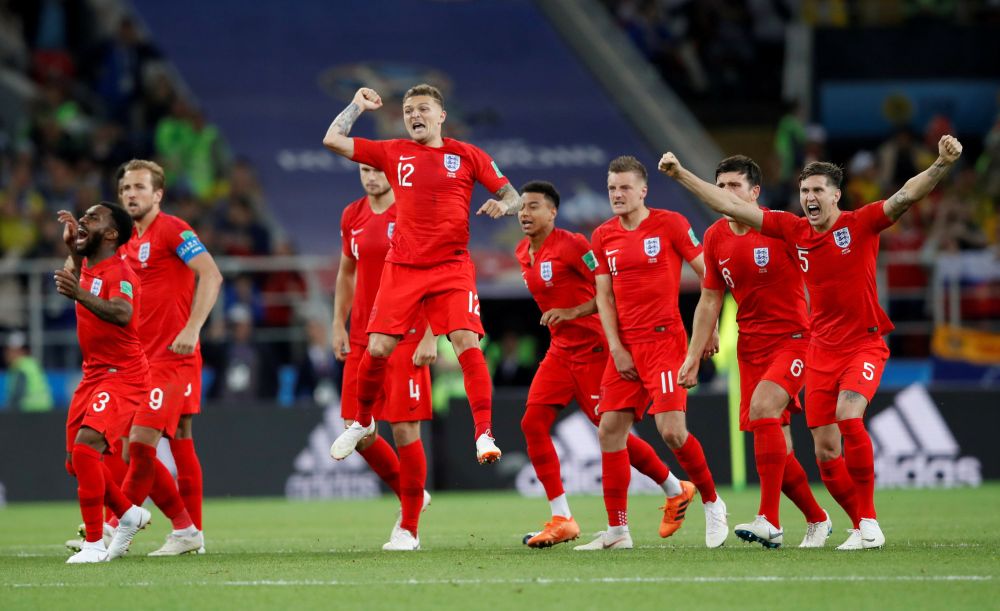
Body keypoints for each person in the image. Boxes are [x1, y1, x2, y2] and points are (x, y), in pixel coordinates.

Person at [659, 135, 964, 550]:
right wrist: (680, 175)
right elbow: (726, 214)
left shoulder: (859, 223)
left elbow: (905, 195)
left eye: (818, 190)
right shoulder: (792, 230)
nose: (809, 198)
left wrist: (941, 164)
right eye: (804, 191)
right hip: (818, 349)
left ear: (836, 195)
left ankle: (849, 521)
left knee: (846, 416)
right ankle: (839, 523)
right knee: (823, 452)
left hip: (849, 342)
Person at [322, 84, 520, 464]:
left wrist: (504, 206)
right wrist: (356, 105)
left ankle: (484, 433)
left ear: (441, 116)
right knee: (377, 349)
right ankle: (362, 421)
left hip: (451, 265)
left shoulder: (468, 155)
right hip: (404, 267)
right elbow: (333, 139)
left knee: (466, 341)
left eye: (423, 108)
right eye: (409, 110)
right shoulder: (394, 152)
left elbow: (513, 195)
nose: (414, 115)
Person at [515, 180, 697, 549]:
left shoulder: (574, 246)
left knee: (611, 433)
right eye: (521, 207)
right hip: (561, 351)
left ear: (553, 212)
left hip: (595, 350)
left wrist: (573, 312)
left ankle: (674, 487)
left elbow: (608, 291)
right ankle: (562, 518)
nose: (524, 213)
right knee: (532, 423)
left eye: (534, 206)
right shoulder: (523, 252)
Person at [675, 155, 830, 549]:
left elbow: (821, 271)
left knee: (763, 409)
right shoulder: (715, 237)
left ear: (755, 191)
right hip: (751, 347)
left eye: (734, 185)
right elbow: (710, 299)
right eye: (720, 186)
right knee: (780, 445)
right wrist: (692, 355)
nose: (726, 193)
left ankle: (769, 521)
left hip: (794, 339)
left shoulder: (781, 227)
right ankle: (818, 519)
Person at [575, 156, 727, 551]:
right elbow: (604, 297)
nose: (617, 194)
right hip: (626, 346)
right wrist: (616, 348)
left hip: (664, 342)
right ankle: (618, 532)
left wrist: (709, 328)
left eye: (625, 187)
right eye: (612, 188)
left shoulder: (670, 223)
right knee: (609, 430)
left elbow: (708, 274)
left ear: (643, 190)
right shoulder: (602, 235)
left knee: (672, 431)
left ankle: (712, 502)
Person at [119, 158, 223, 555]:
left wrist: (193, 328)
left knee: (142, 444)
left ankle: (113, 527)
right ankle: (188, 531)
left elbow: (211, 274)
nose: (131, 194)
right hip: (139, 360)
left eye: (139, 187)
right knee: (174, 437)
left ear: (158, 194)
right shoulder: (127, 242)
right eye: (125, 188)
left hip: (173, 356)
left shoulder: (173, 229)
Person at [331, 163, 436, 550]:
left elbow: (436, 273)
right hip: (363, 336)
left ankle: (409, 528)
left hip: (406, 336)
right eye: (364, 169)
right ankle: (413, 495)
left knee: (405, 429)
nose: (370, 176)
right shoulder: (352, 215)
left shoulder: (413, 212)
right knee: (356, 429)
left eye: (377, 169)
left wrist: (431, 334)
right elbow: (346, 272)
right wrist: (338, 323)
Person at [54, 202, 151, 563]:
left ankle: (94, 544)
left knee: (85, 451)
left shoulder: (121, 272)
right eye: (84, 216)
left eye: (92, 218)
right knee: (75, 462)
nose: (83, 219)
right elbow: (86, 277)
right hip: (94, 373)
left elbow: (123, 313)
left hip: (122, 374)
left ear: (111, 234)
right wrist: (73, 248)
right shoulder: (91, 267)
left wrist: (78, 293)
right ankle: (128, 513)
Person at [3, 331, 54, 412]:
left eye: (10, 351)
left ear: (21, 351)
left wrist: (7, 413)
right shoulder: (31, 364)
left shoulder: (21, 367)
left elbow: (17, 395)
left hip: (30, 412)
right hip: (43, 409)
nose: (7, 354)